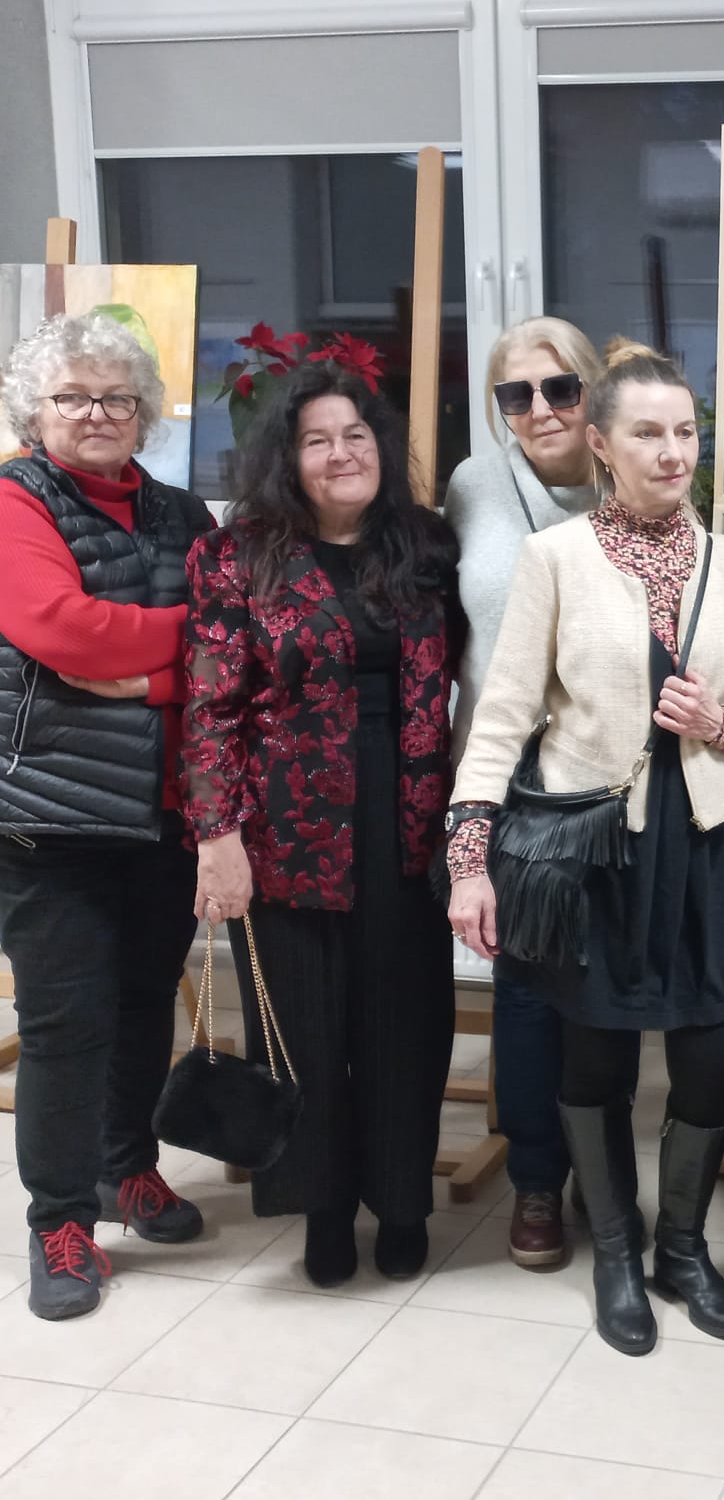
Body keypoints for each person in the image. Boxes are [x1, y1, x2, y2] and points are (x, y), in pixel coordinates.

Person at [446, 341, 724, 1356]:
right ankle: (616, 1253)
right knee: (594, 1062)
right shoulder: (556, 558)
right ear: (601, 443)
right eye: (648, 433)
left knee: (705, 1063)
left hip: (707, 842)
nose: (673, 452)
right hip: (596, 846)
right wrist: (469, 858)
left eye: (686, 432)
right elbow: (504, 713)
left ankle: (683, 1249)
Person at [182, 362, 463, 1289]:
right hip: (283, 822)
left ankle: (402, 1200)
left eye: (356, 434)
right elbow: (211, 710)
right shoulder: (237, 555)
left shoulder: (426, 546)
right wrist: (217, 837)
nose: (343, 453)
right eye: (317, 440)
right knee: (302, 1024)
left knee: (405, 1019)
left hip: (408, 813)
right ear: (288, 459)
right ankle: (325, 1207)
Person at [0, 313, 212, 1320]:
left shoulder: (181, 513)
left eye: (116, 398)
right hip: (49, 819)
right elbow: (62, 629)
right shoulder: (13, 500)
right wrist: (188, 643)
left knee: (142, 1005)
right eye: (73, 397)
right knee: (65, 1024)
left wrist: (151, 676)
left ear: (143, 413)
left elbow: (239, 642)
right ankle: (60, 1222)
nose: (96, 414)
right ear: (34, 411)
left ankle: (129, 1166)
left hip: (163, 814)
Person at [445, 316, 603, 1270]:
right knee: (527, 986)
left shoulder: (638, 475)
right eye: (516, 394)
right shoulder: (475, 485)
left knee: (606, 984)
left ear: (593, 390)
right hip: (504, 779)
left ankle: (602, 1177)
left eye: (560, 387)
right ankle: (538, 1177)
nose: (540, 409)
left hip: (612, 777)